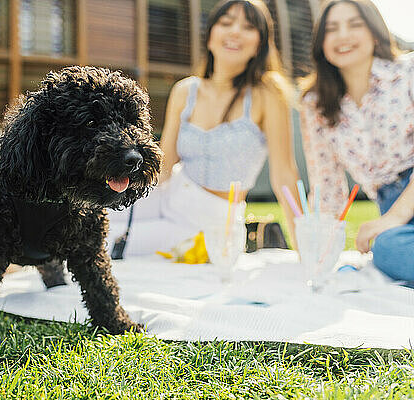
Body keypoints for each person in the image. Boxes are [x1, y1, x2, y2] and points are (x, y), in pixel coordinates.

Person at [107, 0, 301, 257]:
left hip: (209, 224)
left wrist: (304, 246)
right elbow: (164, 167)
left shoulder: (268, 94)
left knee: (101, 242)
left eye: (248, 27)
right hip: (169, 194)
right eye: (226, 22)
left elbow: (284, 176)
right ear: (210, 36)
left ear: (260, 44)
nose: (234, 32)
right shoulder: (185, 90)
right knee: (89, 216)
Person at [300, 0, 414, 281]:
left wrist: (394, 217)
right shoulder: (315, 104)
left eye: (354, 24)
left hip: (404, 201)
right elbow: (326, 184)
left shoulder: (408, 73)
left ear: (375, 31)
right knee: (388, 248)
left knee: (386, 246)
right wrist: (319, 249)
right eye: (332, 29)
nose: (343, 36)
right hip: (389, 207)